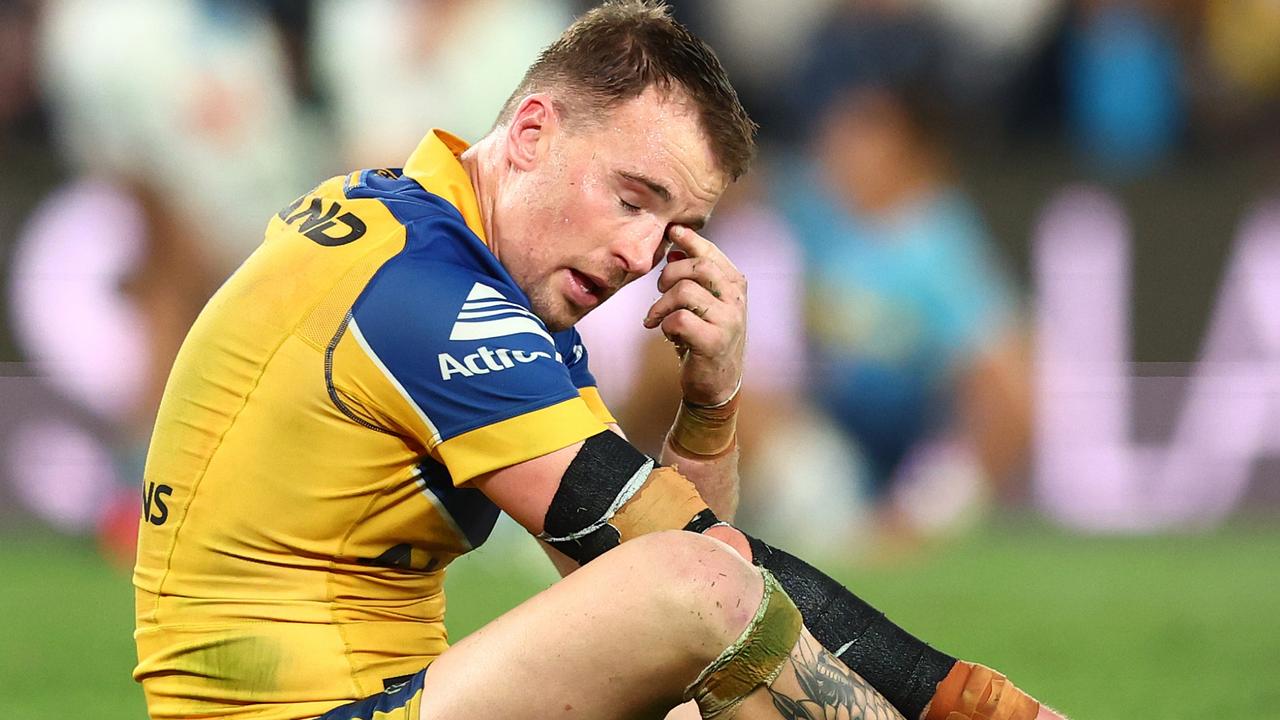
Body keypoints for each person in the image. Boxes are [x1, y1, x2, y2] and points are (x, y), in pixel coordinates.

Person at [132, 3, 1063, 719]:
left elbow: (647, 580)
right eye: (632, 197)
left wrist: (710, 405)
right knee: (695, 587)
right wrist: (964, 696)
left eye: (675, 229)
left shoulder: (449, 253)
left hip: (372, 696)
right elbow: (689, 568)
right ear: (533, 131)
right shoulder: (427, 295)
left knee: (701, 634)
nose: (638, 254)